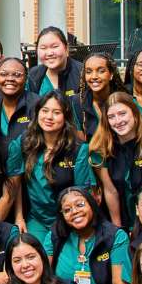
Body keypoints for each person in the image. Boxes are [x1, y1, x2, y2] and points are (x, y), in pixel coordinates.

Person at [50, 186, 130, 284]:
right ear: (63, 216)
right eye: (67, 210)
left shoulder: (115, 236)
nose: (74, 211)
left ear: (92, 204)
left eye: (80, 205)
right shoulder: (56, 235)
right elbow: (42, 275)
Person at [18, 92, 93, 244]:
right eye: (44, 111)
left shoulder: (78, 149)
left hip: (69, 219)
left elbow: (81, 192)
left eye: (56, 112)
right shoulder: (25, 143)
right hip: (36, 220)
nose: (49, 117)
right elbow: (15, 182)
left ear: (65, 117)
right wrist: (19, 216)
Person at [88, 92, 142, 229]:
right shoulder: (102, 149)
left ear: (135, 114)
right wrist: (118, 229)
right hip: (123, 217)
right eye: (111, 117)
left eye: (122, 114)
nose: (118, 121)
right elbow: (110, 190)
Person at [72, 52, 123, 139]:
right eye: (88, 72)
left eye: (101, 71)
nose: (94, 76)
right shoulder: (78, 101)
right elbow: (81, 143)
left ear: (111, 74)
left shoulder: (124, 101)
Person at [0, 57, 39, 142]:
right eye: (3, 74)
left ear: (26, 78)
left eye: (17, 75)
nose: (10, 79)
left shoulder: (37, 104)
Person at [26, 27, 82, 102]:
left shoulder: (82, 72)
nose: (49, 53)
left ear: (66, 48)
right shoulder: (33, 75)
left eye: (55, 47)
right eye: (43, 48)